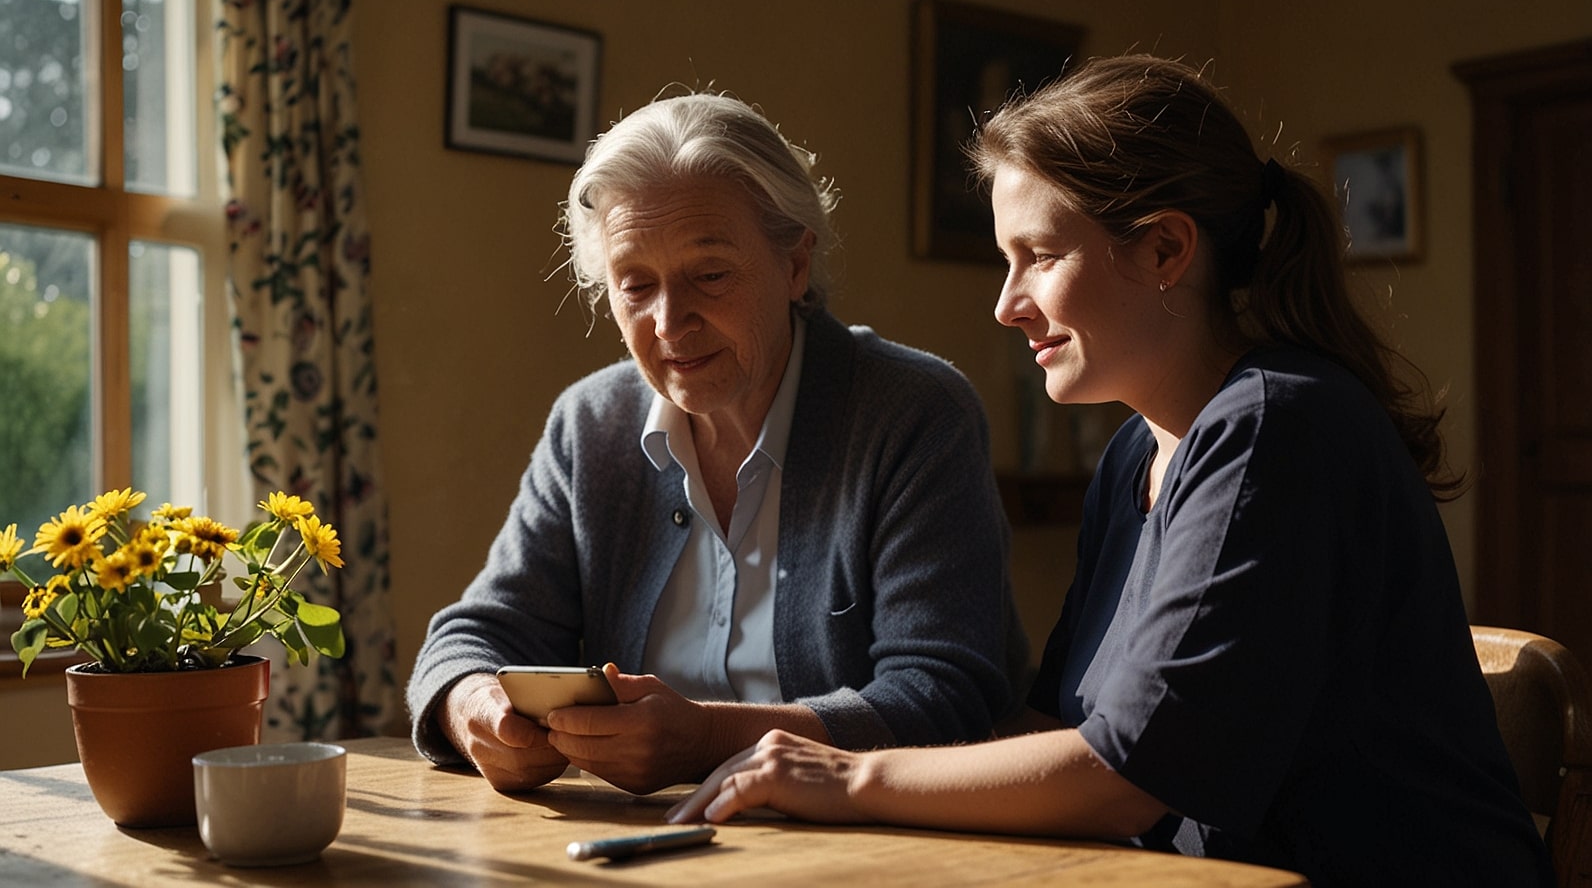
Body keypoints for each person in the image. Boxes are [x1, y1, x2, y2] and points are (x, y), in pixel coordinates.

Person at [666, 55, 1554, 886]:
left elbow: (1130, 770)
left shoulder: (1277, 426)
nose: (1008, 306)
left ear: (1166, 250)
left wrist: (848, 779)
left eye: (1040, 258)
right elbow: (1056, 727)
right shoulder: (1138, 447)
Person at [406, 91, 1024, 796]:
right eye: (635, 284)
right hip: (640, 852)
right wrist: (475, 709)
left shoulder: (912, 414)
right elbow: (475, 634)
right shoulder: (591, 425)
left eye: (710, 275)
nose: (670, 323)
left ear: (795, 265)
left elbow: (949, 695)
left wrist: (707, 739)